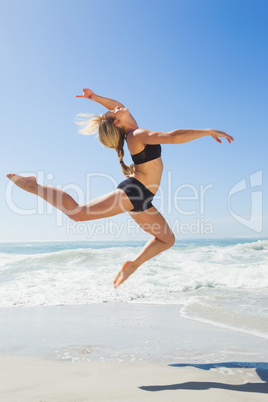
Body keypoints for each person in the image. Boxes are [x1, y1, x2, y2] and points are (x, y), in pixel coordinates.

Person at [6, 88, 234, 288]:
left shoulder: (130, 128)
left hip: (143, 198)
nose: (116, 108)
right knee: (78, 213)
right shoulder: (136, 134)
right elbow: (174, 137)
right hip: (135, 191)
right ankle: (33, 186)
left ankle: (133, 265)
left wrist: (94, 97)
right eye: (114, 112)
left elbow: (114, 105)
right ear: (117, 122)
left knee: (167, 240)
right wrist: (207, 131)